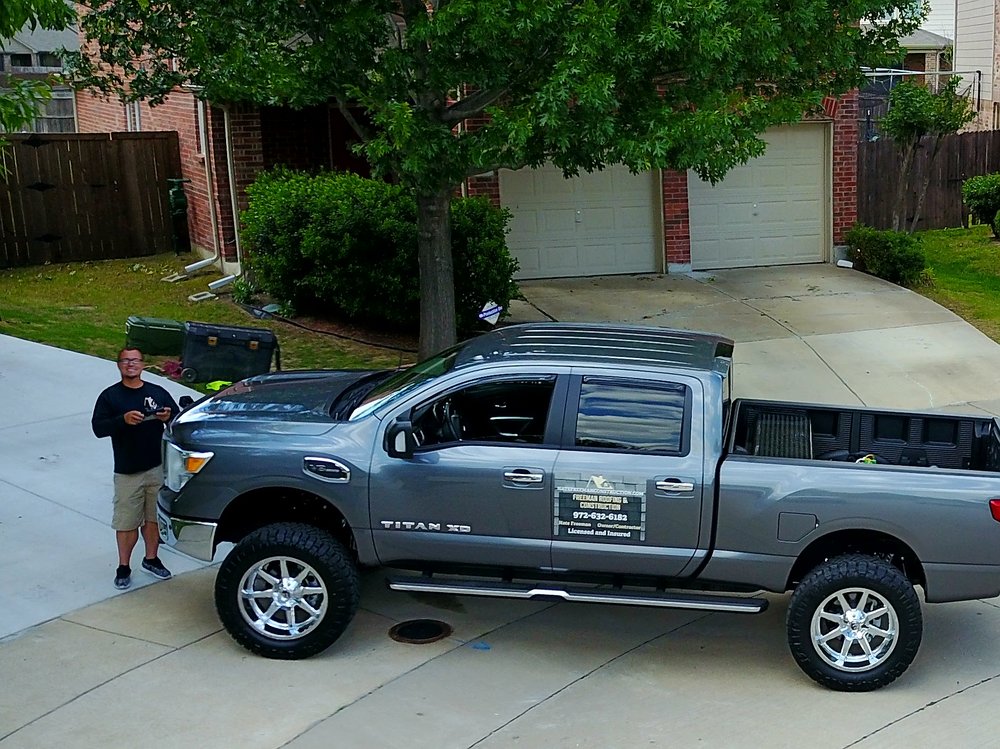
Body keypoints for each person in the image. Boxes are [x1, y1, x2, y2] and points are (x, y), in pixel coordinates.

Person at [92, 347, 180, 589]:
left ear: (143, 364)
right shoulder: (110, 397)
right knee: (126, 522)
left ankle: (151, 559)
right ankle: (123, 567)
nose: (131, 364)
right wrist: (122, 420)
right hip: (127, 471)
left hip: (156, 467)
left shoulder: (157, 392)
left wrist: (166, 417)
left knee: (153, 519)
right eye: (126, 360)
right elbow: (98, 428)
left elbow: (178, 418)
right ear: (119, 365)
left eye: (135, 360)